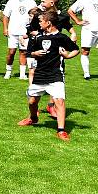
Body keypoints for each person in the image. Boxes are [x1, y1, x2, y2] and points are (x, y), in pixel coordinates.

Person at [18, 10, 80, 142]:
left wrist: (67, 55)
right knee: (32, 101)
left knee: (59, 101)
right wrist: (35, 53)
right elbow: (28, 52)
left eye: (41, 21)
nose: (38, 23)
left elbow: (76, 49)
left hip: (55, 74)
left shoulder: (61, 38)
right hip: (40, 74)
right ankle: (33, 118)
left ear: (49, 23)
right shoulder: (37, 37)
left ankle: (61, 130)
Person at [2, 0, 37, 80]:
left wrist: (32, 29)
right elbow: (5, 16)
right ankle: (8, 71)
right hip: (13, 31)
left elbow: (35, 16)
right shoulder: (12, 1)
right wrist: (5, 28)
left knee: (23, 52)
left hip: (25, 33)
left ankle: (22, 74)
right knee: (11, 52)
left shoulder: (31, 2)